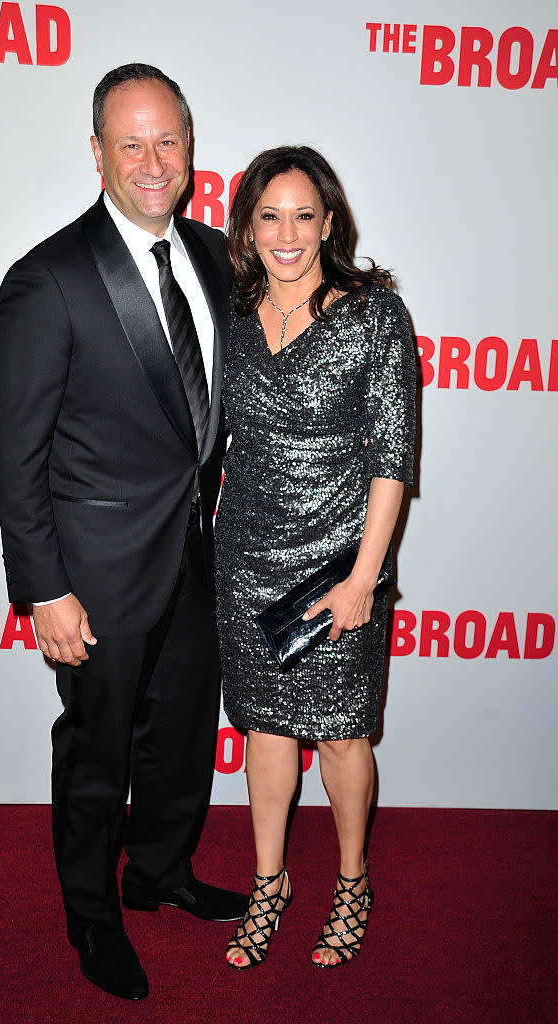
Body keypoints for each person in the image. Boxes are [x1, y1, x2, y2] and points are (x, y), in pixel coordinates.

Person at [0, 63, 246, 1002]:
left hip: (193, 556)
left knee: (179, 738)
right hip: (91, 578)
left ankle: (159, 872)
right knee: (95, 753)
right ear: (96, 152)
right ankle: (90, 915)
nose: (150, 160)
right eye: (128, 142)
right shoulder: (48, 278)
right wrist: (44, 589)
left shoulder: (219, 258)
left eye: (166, 140)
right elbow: (13, 454)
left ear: (189, 150)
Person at [214, 146, 416, 969]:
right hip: (246, 555)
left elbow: (390, 457)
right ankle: (269, 884)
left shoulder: (373, 315)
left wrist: (364, 577)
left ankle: (350, 879)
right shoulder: (231, 309)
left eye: (304, 215)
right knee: (263, 729)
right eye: (269, 215)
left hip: (338, 562)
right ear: (247, 228)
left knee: (337, 737)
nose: (286, 233)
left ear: (329, 223)